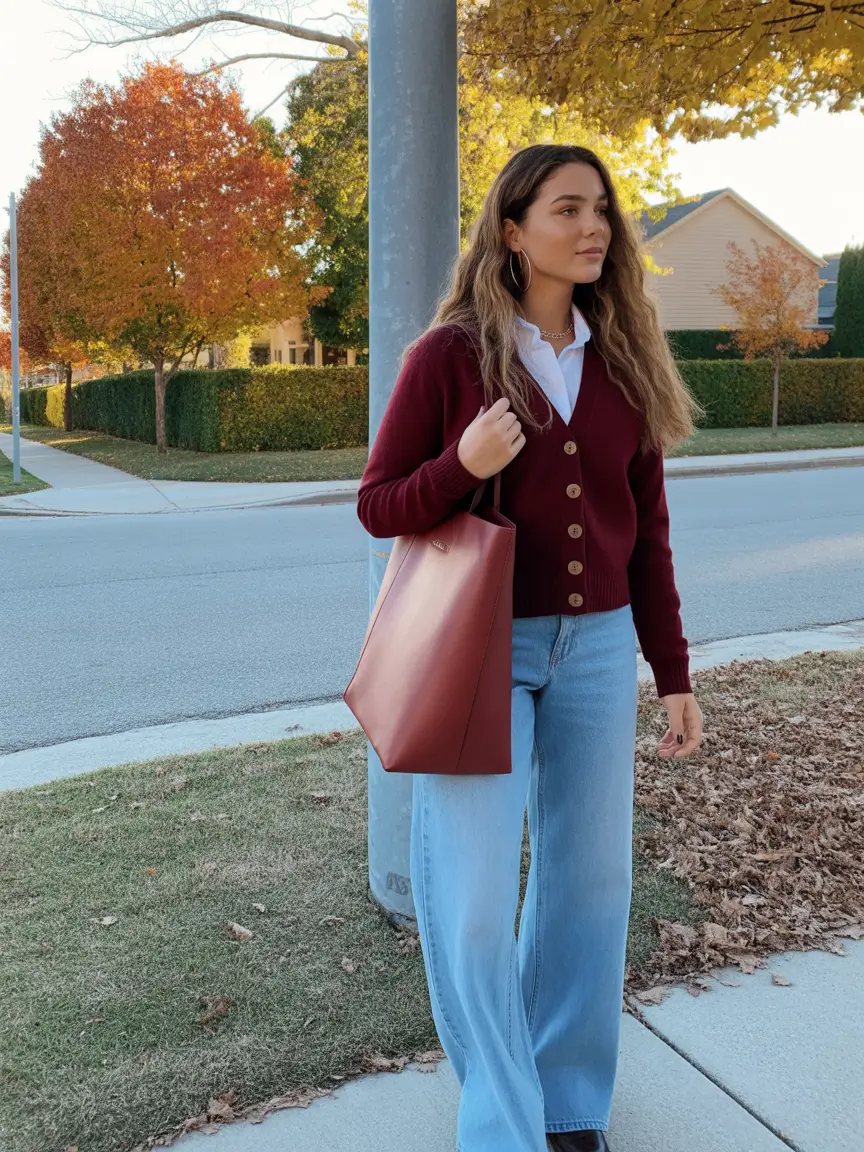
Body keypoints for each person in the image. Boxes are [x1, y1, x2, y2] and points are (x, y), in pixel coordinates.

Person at [355, 144, 705, 1152]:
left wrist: (671, 672)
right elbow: (380, 507)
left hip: (595, 654)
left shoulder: (625, 357)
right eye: (566, 209)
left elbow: (648, 537)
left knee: (588, 891)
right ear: (512, 229)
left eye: (601, 210)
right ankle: (501, 1125)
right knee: (467, 906)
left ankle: (567, 1110)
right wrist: (460, 466)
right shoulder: (452, 358)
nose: (593, 227)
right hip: (481, 653)